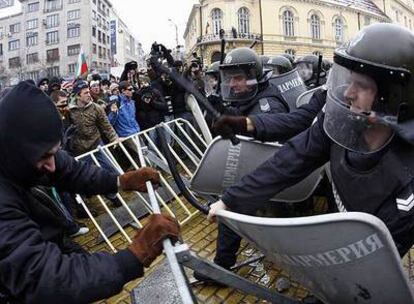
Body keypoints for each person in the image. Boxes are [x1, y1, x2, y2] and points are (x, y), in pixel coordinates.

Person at [208, 24, 414, 260]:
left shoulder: (407, 178)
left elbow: (378, 259)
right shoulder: (343, 121)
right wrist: (231, 200)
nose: (347, 93)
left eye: (362, 85)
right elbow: (292, 157)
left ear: (394, 97)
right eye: (350, 81)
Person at [0, 81, 180, 303]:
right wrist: (135, 255)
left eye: (52, 153)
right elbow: (46, 279)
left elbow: (72, 171)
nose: (52, 165)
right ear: (15, 152)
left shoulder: (26, 155)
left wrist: (120, 181)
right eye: (44, 157)